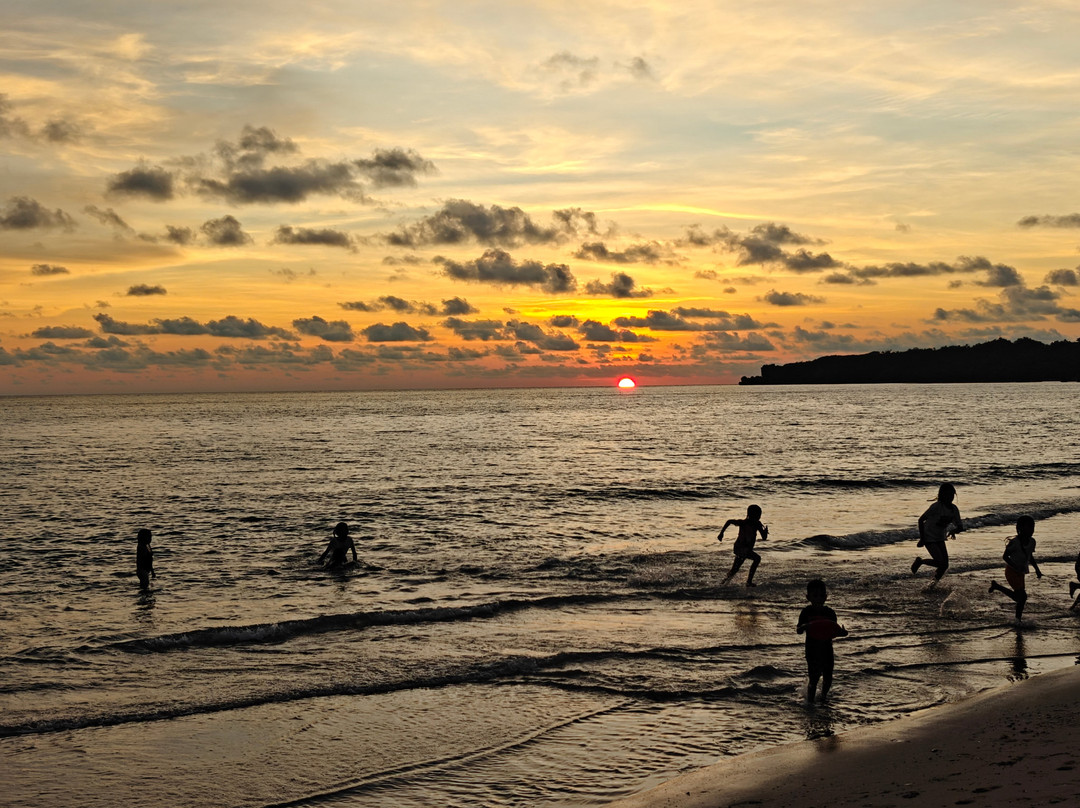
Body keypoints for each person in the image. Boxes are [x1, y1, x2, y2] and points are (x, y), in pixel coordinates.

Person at [796, 579, 848, 702]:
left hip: (827, 649)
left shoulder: (830, 612)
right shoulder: (806, 612)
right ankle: (810, 702)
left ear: (825, 597)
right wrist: (804, 627)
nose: (818, 599)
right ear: (808, 597)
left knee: (828, 677)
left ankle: (824, 697)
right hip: (812, 649)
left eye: (821, 596)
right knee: (813, 678)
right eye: (815, 596)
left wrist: (843, 633)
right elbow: (798, 630)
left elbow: (834, 631)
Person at [989, 516, 1041, 622]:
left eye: (1033, 527)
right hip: (1011, 571)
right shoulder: (1015, 543)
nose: (1031, 530)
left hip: (1021, 572)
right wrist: (1015, 565)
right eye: (1029, 527)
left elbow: (1030, 556)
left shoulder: (1032, 542)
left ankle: (1018, 619)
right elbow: (1005, 556)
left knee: (1020, 597)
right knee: (1022, 597)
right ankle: (1018, 620)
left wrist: (1037, 569)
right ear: (1021, 528)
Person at [912, 483, 963, 581]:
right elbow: (921, 520)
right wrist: (922, 538)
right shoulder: (936, 506)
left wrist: (953, 531)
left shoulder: (954, 509)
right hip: (928, 536)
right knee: (940, 562)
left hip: (940, 537)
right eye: (947, 495)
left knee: (945, 565)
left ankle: (932, 585)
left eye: (952, 495)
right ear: (942, 495)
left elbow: (960, 527)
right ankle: (920, 561)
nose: (950, 497)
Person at [718, 504, 769, 587]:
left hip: (744, 549)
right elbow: (729, 521)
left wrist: (765, 531)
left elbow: (764, 538)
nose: (759, 517)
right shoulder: (744, 522)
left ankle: (722, 584)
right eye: (757, 515)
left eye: (759, 515)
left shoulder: (757, 524)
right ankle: (749, 582)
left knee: (735, 569)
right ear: (750, 515)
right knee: (757, 558)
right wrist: (721, 533)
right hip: (741, 548)